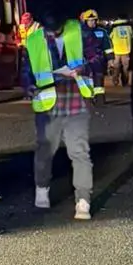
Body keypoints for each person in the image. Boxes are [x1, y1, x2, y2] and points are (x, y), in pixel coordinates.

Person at [22, 13, 97, 220]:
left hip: (76, 101)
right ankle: (42, 189)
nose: (53, 32)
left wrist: (84, 67)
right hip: (47, 105)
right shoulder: (34, 39)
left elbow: (98, 57)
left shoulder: (80, 31)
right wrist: (28, 87)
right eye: (49, 28)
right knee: (45, 151)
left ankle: (83, 200)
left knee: (80, 152)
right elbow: (27, 70)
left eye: (57, 28)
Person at [79, 9, 112, 96]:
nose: (92, 22)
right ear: (85, 21)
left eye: (94, 20)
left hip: (98, 60)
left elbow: (107, 47)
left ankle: (99, 98)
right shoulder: (79, 33)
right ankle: (88, 96)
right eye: (90, 20)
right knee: (85, 79)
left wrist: (110, 60)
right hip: (83, 60)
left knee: (98, 78)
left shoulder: (102, 32)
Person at [109, 19, 133, 87]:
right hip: (126, 50)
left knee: (116, 67)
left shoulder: (114, 27)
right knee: (125, 68)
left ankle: (115, 81)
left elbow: (110, 37)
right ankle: (124, 82)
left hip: (116, 50)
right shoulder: (129, 27)